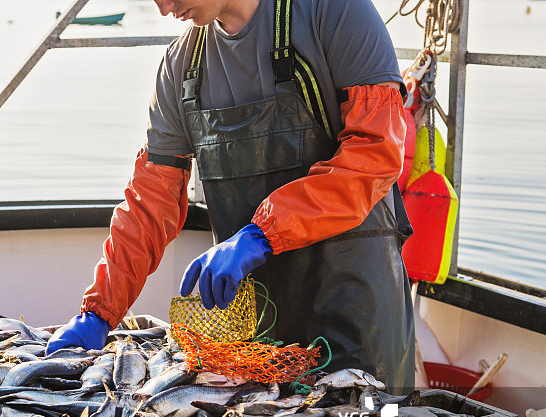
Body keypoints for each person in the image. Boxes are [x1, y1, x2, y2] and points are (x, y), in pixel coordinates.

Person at [46, 0, 415, 392]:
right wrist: (100, 311)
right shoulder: (181, 66)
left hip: (355, 307)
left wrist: (263, 232)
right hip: (256, 326)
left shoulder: (336, 12)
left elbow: (375, 154)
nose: (165, 9)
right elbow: (150, 201)